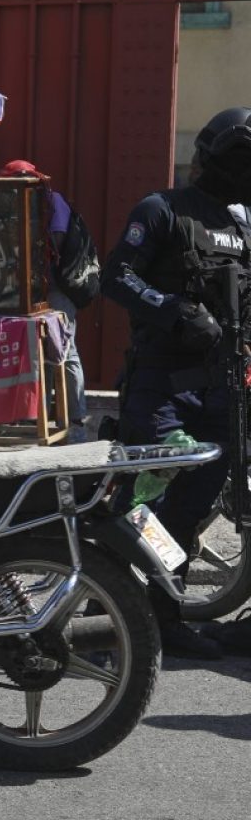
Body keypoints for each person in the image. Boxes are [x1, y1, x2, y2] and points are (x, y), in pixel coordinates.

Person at [101, 107, 251, 660]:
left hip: (221, 390)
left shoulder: (242, 224)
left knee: (188, 512)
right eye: (239, 158)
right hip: (161, 387)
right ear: (211, 156)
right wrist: (173, 310)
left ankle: (163, 617)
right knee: (145, 497)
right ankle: (102, 609)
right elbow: (115, 277)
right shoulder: (161, 209)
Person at [0, 160, 89, 442]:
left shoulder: (53, 201)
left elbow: (58, 239)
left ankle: (76, 416)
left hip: (57, 288)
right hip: (37, 288)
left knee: (65, 348)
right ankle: (49, 412)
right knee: (44, 349)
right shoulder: (22, 205)